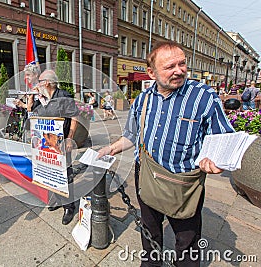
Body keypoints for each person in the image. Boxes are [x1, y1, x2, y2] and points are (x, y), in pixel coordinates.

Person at [98, 41, 234, 266]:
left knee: (187, 242)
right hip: (148, 177)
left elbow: (223, 138)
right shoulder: (142, 100)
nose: (179, 70)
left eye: (182, 64)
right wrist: (110, 149)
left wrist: (217, 159)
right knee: (150, 232)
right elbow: (131, 135)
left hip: (183, 185)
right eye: (170, 66)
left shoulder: (204, 96)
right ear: (151, 72)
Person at [27, 69, 79, 225]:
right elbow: (31, 112)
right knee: (49, 172)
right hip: (44, 144)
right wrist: (31, 98)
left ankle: (69, 206)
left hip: (61, 144)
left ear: (47, 83)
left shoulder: (63, 96)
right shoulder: (41, 99)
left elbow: (74, 117)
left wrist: (69, 138)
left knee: (64, 174)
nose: (38, 85)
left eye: (40, 82)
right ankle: (57, 199)